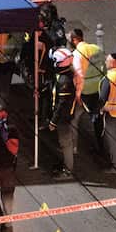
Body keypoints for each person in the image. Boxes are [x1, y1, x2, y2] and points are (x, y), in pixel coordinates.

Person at [70, 27, 105, 146]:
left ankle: (75, 146)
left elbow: (78, 75)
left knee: (76, 117)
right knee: (98, 116)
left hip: (86, 90)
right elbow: (104, 68)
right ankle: (100, 143)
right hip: (98, 88)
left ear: (74, 40)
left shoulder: (76, 54)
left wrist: (78, 94)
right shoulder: (96, 49)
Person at [48, 47, 79, 178]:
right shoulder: (67, 75)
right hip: (67, 115)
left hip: (63, 118)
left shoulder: (64, 81)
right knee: (65, 142)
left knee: (65, 143)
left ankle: (68, 170)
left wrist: (53, 121)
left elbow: (61, 105)